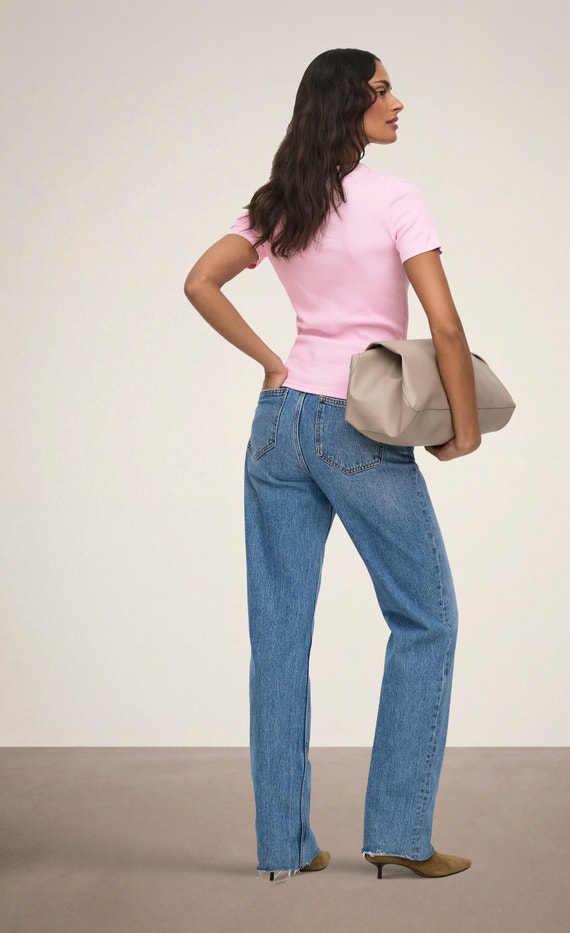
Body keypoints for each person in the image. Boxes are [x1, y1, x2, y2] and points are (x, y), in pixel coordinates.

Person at [184, 48, 481, 882]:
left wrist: (271, 363)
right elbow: (445, 325)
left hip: (279, 425)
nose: (397, 101)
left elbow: (200, 282)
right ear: (347, 103)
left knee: (278, 639)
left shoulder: (279, 203)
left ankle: (284, 847)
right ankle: (398, 833)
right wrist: (465, 429)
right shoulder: (395, 198)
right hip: (360, 425)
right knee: (426, 619)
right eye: (382, 89)